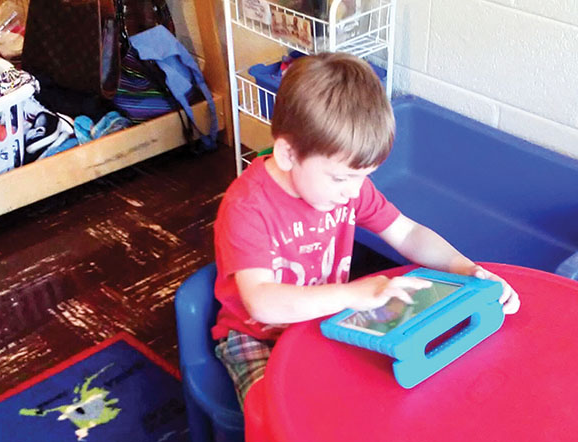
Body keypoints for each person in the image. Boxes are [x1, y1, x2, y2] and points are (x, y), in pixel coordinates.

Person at [212, 52, 520, 409]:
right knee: (280, 413)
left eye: (365, 177)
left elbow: (407, 233)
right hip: (255, 336)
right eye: (342, 178)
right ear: (288, 155)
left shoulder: (348, 189)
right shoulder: (247, 207)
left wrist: (464, 267)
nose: (354, 192)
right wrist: (351, 294)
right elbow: (262, 303)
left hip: (322, 318)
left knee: (370, 400)